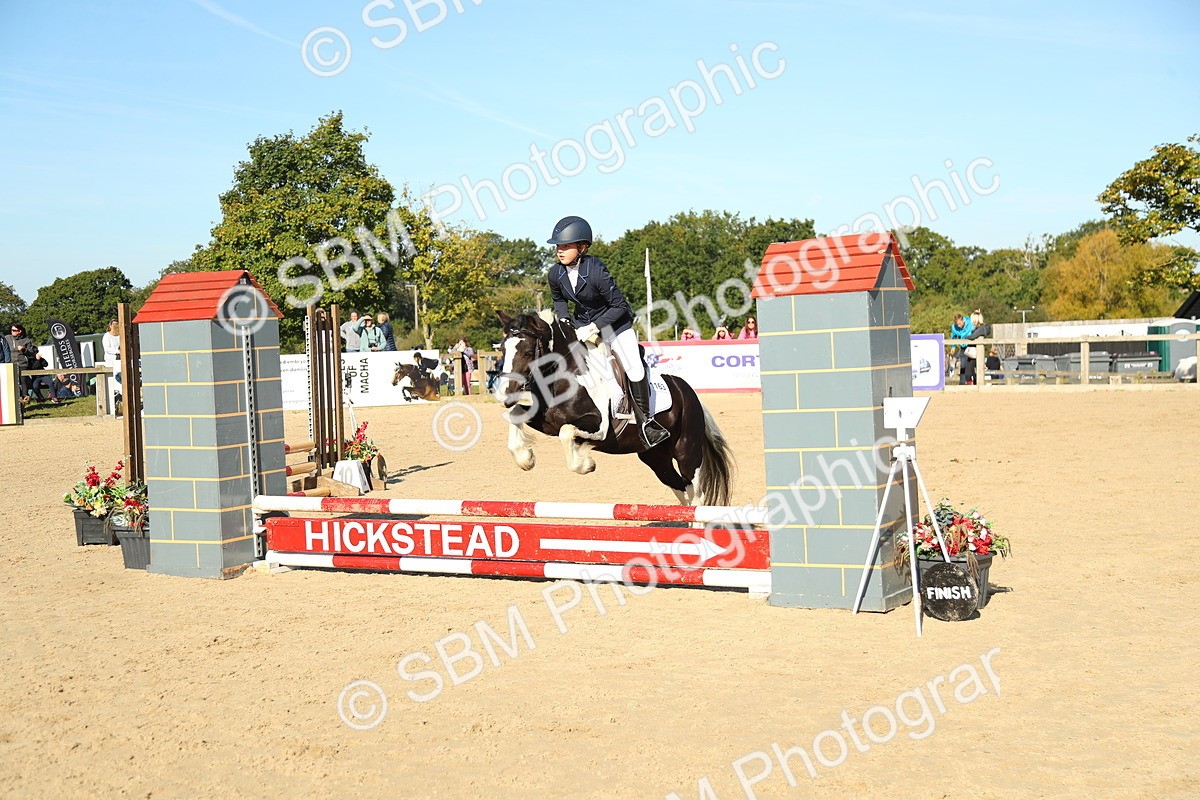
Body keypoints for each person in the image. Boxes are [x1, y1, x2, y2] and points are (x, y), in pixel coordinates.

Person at [546, 215, 668, 448]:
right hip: (582, 327)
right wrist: (565, 320)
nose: (559, 251)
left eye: (565, 246)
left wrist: (595, 326)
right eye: (558, 246)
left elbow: (620, 306)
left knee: (633, 368)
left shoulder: (596, 271)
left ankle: (646, 423)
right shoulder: (555, 274)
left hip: (616, 326)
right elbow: (559, 300)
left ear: (582, 247)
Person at [5, 323, 37, 406]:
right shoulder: (7, 338)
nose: (12, 331)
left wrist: (24, 349)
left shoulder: (26, 340)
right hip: (10, 364)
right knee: (12, 382)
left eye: (14, 330)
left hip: (22, 364)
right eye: (11, 330)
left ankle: (24, 400)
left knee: (23, 382)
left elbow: (32, 353)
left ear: (19, 331)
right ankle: (13, 401)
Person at [961, 311, 991, 385]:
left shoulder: (981, 328)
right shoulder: (980, 328)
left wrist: (966, 337)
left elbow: (972, 336)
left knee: (970, 372)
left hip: (976, 353)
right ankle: (973, 384)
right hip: (974, 353)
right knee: (970, 372)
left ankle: (974, 386)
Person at [949, 313, 974, 384]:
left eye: (959, 324)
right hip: (963, 347)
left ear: (962, 320)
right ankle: (962, 383)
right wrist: (953, 346)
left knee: (971, 365)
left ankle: (973, 381)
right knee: (963, 364)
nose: (958, 326)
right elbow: (953, 337)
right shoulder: (954, 327)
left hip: (972, 345)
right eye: (957, 324)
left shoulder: (970, 322)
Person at [102, 319, 121, 411]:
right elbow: (107, 349)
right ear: (110, 326)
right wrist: (118, 351)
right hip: (111, 361)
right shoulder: (107, 336)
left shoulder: (120, 336)